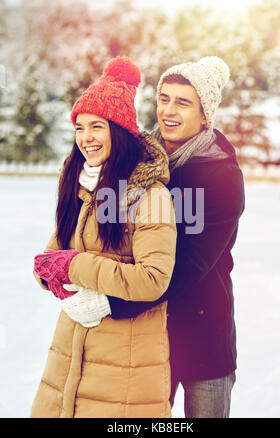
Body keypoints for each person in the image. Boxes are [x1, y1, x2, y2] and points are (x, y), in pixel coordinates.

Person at [30, 56, 177, 418]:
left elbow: (153, 279)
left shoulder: (151, 195)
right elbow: (52, 261)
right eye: (79, 128)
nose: (86, 138)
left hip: (124, 365)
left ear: (120, 131)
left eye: (96, 126)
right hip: (69, 358)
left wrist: (76, 266)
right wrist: (48, 273)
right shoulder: (81, 189)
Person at [104, 56, 245, 418]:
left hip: (203, 338)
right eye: (164, 98)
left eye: (183, 102)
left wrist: (111, 303)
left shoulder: (222, 177)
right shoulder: (136, 163)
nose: (168, 110)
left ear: (204, 116)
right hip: (147, 336)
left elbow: (186, 267)